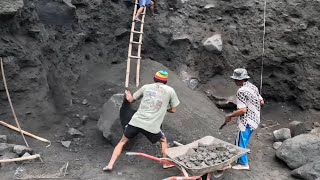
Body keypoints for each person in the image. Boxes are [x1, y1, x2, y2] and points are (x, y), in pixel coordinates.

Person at [103, 70, 180, 171]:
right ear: (165, 81)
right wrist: (164, 107)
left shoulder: (146, 87)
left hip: (136, 121)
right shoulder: (170, 91)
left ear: (154, 78)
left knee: (122, 141)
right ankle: (165, 163)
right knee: (163, 140)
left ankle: (110, 165)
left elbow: (131, 100)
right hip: (152, 125)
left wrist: (127, 94)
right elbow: (174, 110)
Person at [224, 68, 264, 170]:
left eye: (235, 79)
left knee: (240, 140)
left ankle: (243, 163)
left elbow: (242, 110)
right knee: (245, 138)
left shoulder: (241, 91)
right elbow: (261, 102)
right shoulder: (253, 87)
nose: (234, 81)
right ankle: (244, 151)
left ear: (240, 80)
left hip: (246, 121)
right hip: (255, 118)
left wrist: (230, 116)